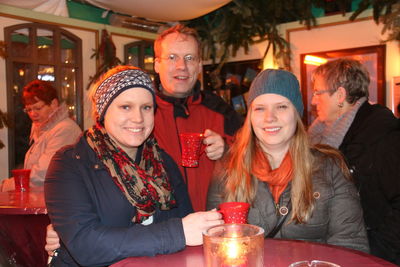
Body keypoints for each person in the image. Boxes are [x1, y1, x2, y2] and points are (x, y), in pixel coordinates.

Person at [44, 66, 223, 266]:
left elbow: (189, 232)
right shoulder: (70, 163)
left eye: (146, 107)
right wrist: (177, 233)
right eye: (126, 107)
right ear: (103, 111)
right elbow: (87, 246)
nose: (138, 118)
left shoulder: (163, 163)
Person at [207, 69, 369, 253]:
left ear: (297, 114)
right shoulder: (228, 168)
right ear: (250, 117)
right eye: (260, 108)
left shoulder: (330, 167)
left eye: (281, 107)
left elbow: (351, 246)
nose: (270, 117)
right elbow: (215, 243)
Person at [308, 58, 400, 264]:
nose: (313, 101)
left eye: (317, 93)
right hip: (333, 248)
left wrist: (373, 253)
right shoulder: (318, 136)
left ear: (340, 95)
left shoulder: (382, 137)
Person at [153, 24, 243, 211]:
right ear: (156, 64)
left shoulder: (220, 110)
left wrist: (227, 151)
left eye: (189, 58)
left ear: (199, 65)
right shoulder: (142, 112)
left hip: (214, 226)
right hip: (162, 232)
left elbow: (256, 159)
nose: (181, 66)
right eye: (172, 57)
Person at [1, 80, 81, 191]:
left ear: (53, 104)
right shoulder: (43, 130)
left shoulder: (64, 129)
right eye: (29, 109)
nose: (33, 114)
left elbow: (43, 173)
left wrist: (6, 186)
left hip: (59, 201)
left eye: (38, 108)